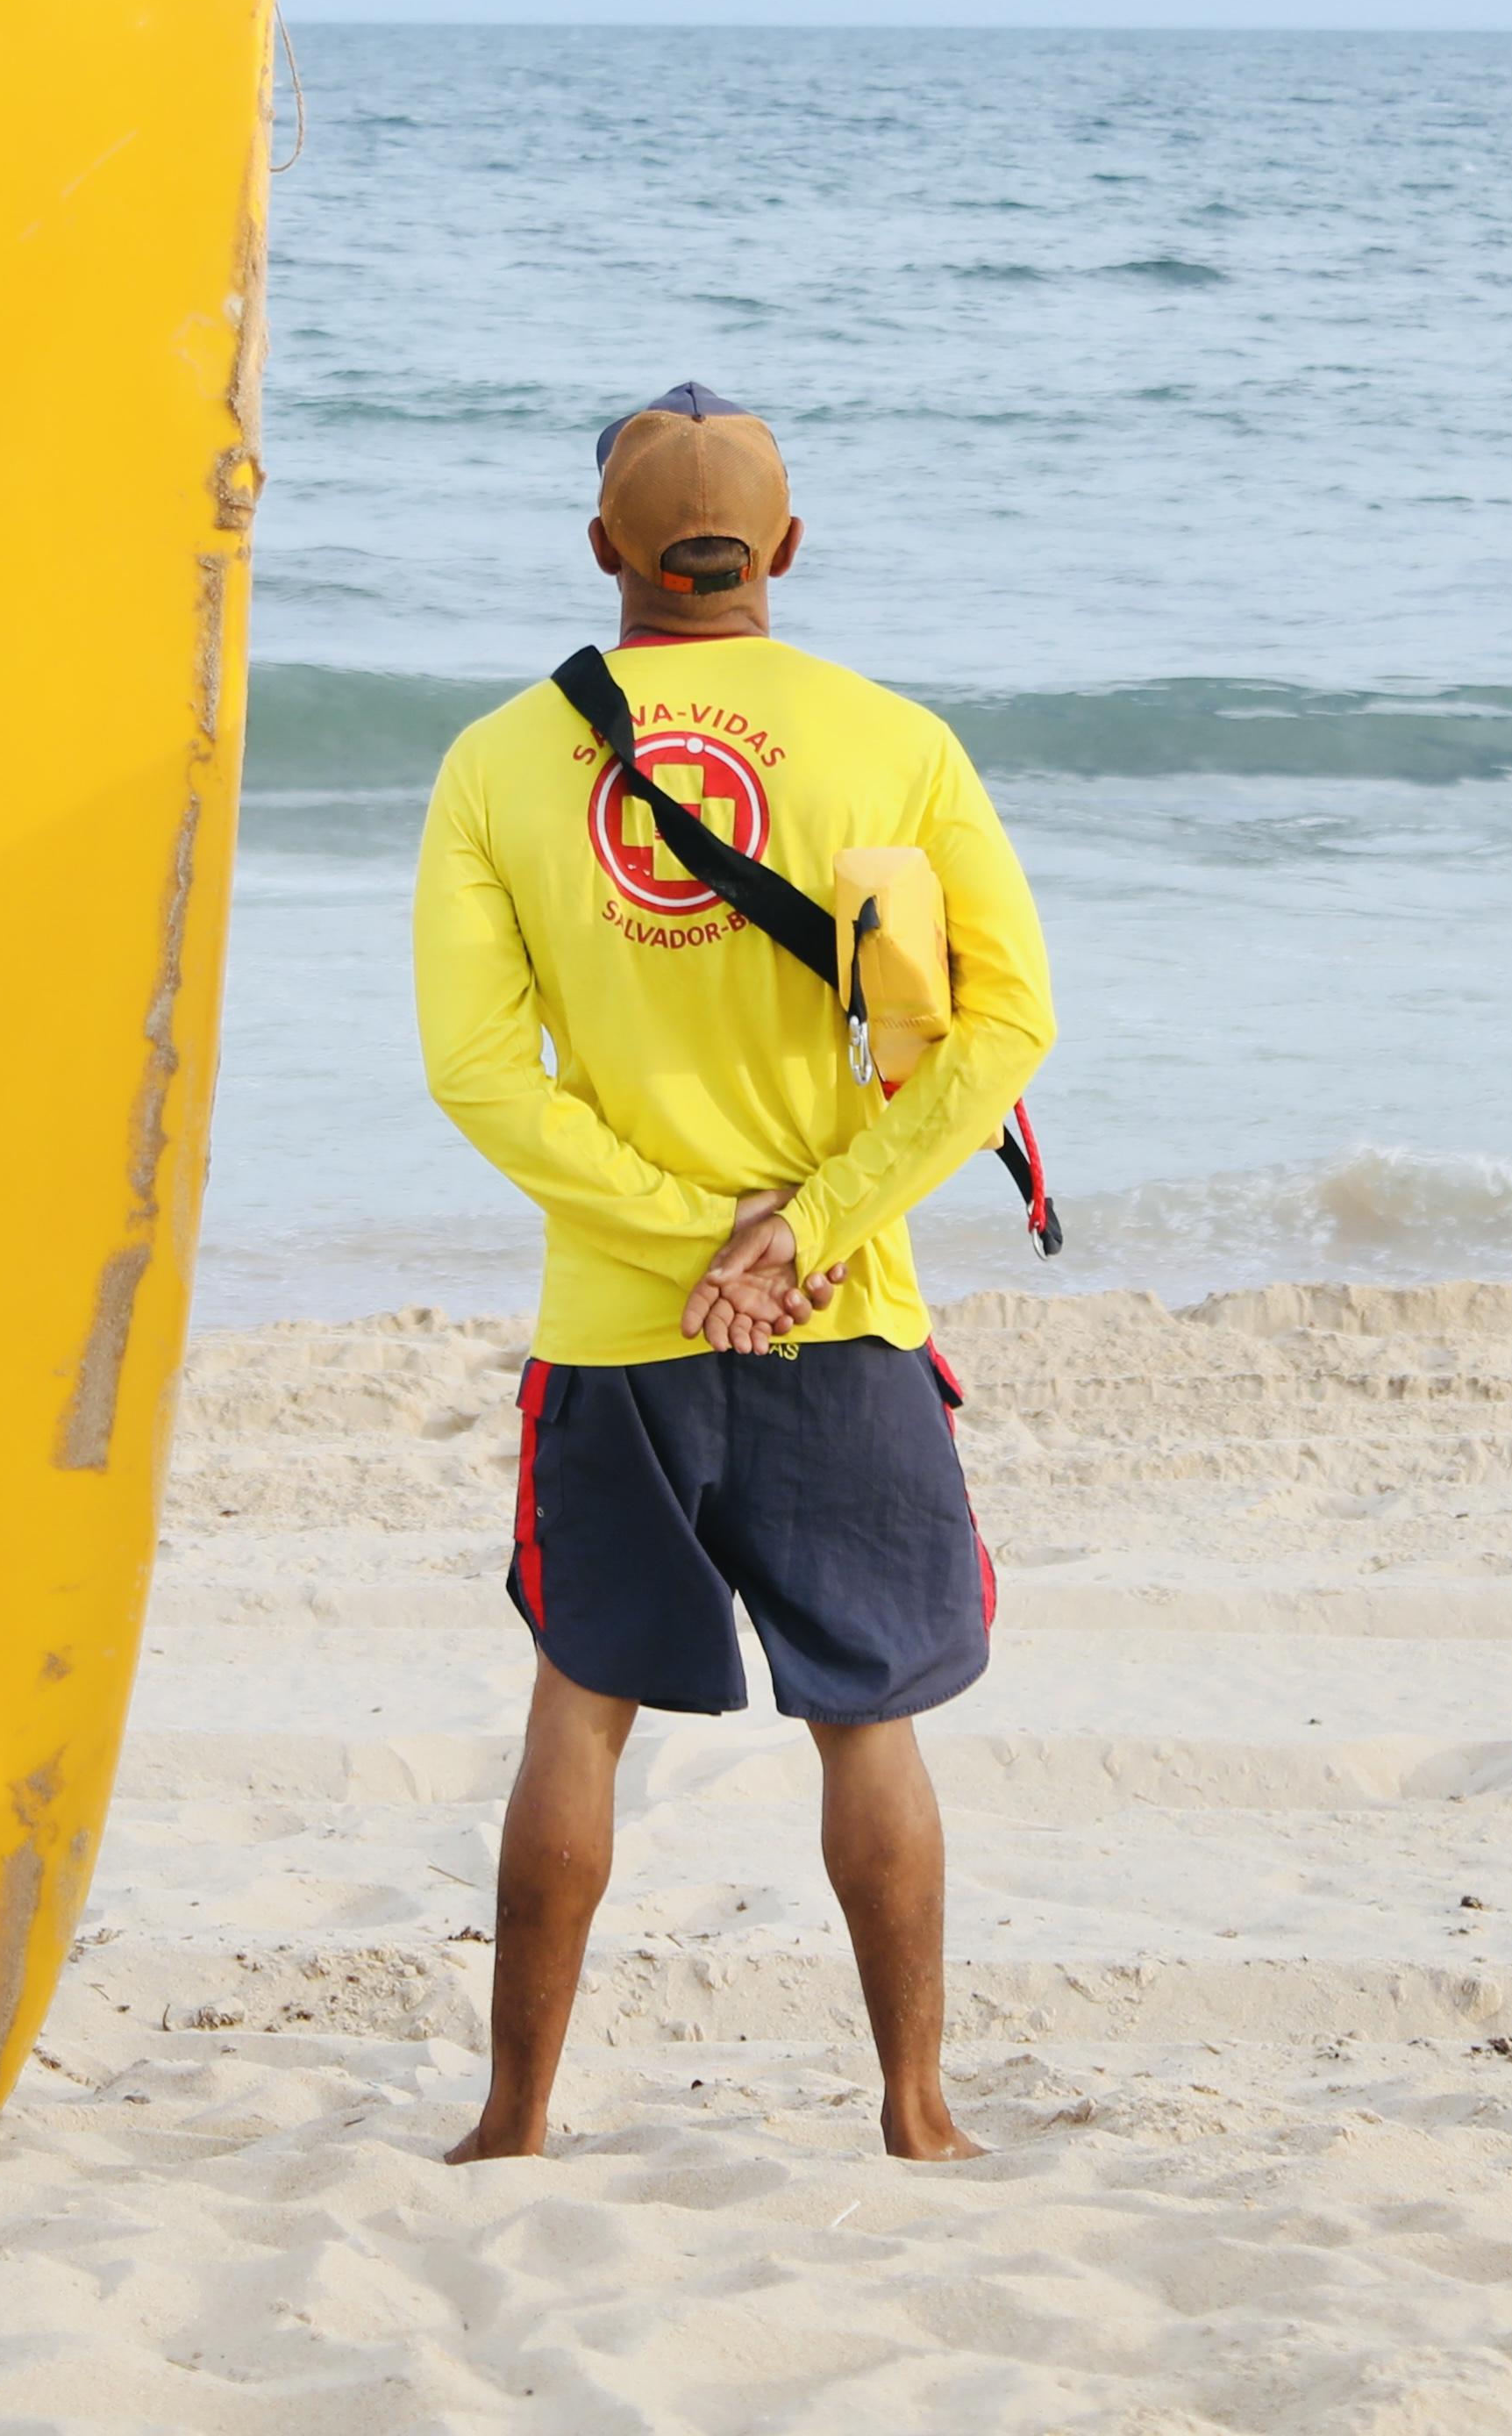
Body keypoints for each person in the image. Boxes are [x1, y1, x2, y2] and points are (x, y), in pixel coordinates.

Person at [412, 382, 1058, 2164]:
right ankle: (918, 2112)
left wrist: (688, 1238)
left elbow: (478, 1072)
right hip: (843, 1314)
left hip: (622, 1329)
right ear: (782, 547)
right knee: (871, 1722)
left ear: (605, 549)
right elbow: (1008, 1019)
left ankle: (515, 2118)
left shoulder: (494, 762)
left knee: (579, 1706)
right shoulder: (896, 739)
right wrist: (814, 1222)